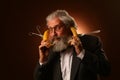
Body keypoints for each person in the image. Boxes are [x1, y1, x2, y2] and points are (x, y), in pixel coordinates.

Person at [34, 10, 111, 80]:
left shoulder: (92, 42)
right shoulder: (48, 50)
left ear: (69, 27)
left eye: (58, 28)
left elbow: (105, 70)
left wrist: (81, 53)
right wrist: (42, 60)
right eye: (50, 29)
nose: (53, 33)